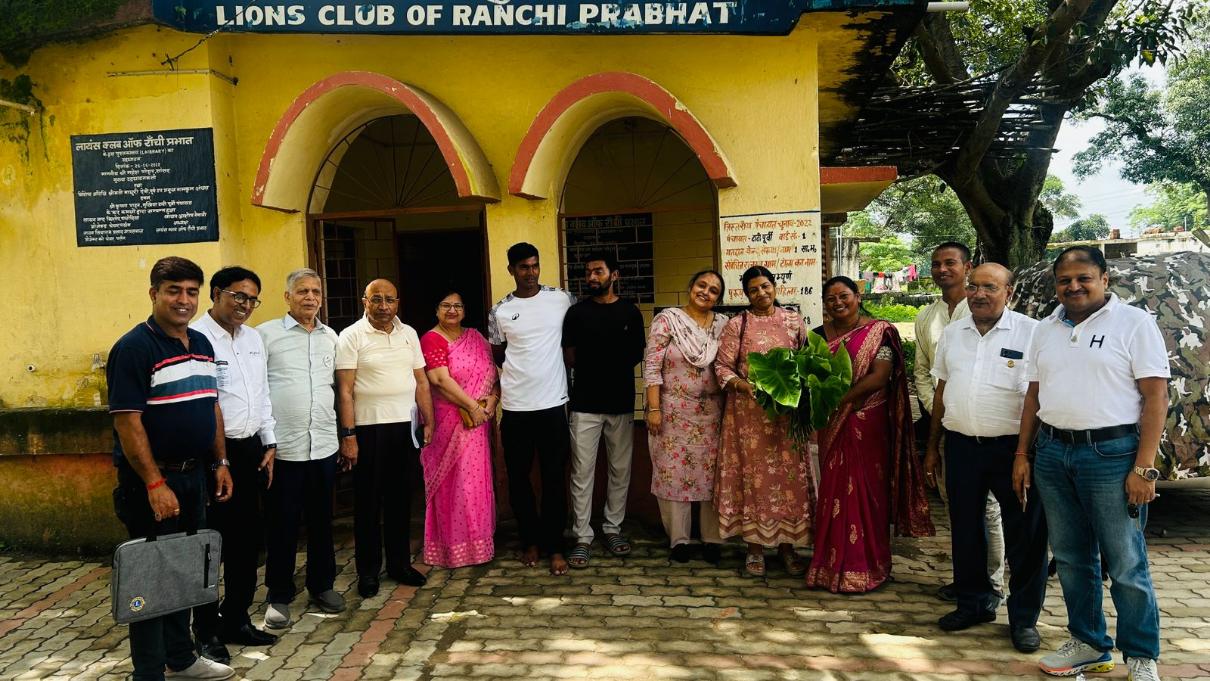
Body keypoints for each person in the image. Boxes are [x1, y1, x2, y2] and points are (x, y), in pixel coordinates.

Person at [1016, 246, 1169, 681]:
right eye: (1064, 280)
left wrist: (1144, 468)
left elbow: (1156, 397)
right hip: (1053, 453)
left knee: (1125, 562)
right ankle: (1089, 643)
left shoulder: (1134, 323)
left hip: (1112, 455)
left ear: (1105, 278)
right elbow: (1033, 394)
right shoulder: (1045, 329)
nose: (1074, 286)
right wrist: (1023, 453)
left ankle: (1140, 654)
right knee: (1070, 557)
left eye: (1084, 277)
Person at [108, 256, 234, 681]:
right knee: (149, 579)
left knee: (185, 571)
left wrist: (220, 462)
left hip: (195, 475)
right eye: (173, 291)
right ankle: (148, 672)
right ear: (154, 294)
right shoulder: (134, 347)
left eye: (191, 292)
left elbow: (211, 406)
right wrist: (154, 483)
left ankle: (181, 659)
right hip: (153, 481)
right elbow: (128, 422)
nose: (184, 300)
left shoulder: (201, 343)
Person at [923, 264, 1048, 653]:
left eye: (989, 287)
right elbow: (942, 391)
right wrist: (932, 447)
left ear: (1008, 292)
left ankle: (1024, 619)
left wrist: (1024, 453)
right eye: (974, 286)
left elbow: (1038, 396)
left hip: (1014, 450)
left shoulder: (1032, 333)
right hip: (961, 446)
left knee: (1025, 534)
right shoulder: (953, 333)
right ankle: (974, 604)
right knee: (965, 530)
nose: (979, 294)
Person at [805, 275, 933, 593]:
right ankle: (828, 566)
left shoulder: (880, 332)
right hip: (831, 422)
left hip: (868, 421)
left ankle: (869, 566)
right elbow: (808, 377)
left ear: (858, 296)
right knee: (833, 489)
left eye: (843, 296)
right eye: (831, 298)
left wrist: (841, 399)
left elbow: (879, 376)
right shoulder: (817, 337)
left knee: (867, 491)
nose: (837, 302)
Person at [189, 266, 278, 659]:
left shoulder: (253, 339)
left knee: (246, 542)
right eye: (238, 295)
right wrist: (219, 459)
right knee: (211, 546)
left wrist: (269, 441)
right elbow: (205, 404)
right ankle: (206, 631)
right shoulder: (196, 338)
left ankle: (237, 618)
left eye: (252, 299)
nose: (245, 304)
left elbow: (262, 393)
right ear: (216, 293)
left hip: (249, 450)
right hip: (212, 456)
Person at [914, 242, 1005, 603]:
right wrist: (938, 408)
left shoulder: (984, 308)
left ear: (967, 267)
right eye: (936, 264)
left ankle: (994, 583)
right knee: (957, 505)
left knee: (989, 508)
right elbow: (923, 371)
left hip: (988, 430)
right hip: (947, 425)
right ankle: (967, 580)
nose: (942, 269)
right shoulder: (927, 316)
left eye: (950, 263)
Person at [257, 268, 345, 629]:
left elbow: (337, 386)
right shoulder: (266, 335)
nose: (310, 297)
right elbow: (257, 389)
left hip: (322, 444)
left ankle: (321, 586)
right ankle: (279, 594)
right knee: (282, 523)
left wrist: (345, 434)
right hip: (283, 449)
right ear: (287, 296)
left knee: (322, 521)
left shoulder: (331, 337)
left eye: (316, 292)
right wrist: (266, 439)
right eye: (302, 291)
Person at [336, 279, 435, 598]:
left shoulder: (409, 334)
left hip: (404, 427)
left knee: (399, 499)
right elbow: (345, 390)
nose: (383, 306)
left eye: (389, 300)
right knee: (368, 503)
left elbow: (421, 381)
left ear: (397, 303)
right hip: (368, 429)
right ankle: (367, 571)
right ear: (364, 301)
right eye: (376, 299)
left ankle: (399, 564)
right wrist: (349, 435)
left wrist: (429, 420)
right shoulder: (351, 335)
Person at [713, 265, 813, 578]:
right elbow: (722, 368)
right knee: (754, 481)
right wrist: (744, 386)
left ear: (774, 286)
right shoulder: (737, 325)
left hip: (787, 419)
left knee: (788, 482)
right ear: (746, 294)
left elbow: (807, 362)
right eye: (753, 289)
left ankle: (788, 547)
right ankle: (754, 549)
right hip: (749, 418)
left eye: (765, 286)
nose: (761, 293)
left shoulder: (794, 321)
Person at [488, 242, 577, 576]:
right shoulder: (500, 311)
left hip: (553, 405)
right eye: (523, 267)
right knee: (519, 479)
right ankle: (530, 541)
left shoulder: (562, 299)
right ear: (511, 270)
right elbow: (498, 354)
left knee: (554, 478)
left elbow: (574, 339)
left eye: (534, 265)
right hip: (515, 408)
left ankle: (556, 546)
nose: (530, 272)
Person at [563, 254, 646, 568]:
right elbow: (570, 356)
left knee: (620, 470)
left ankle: (612, 529)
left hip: (621, 403)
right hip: (584, 405)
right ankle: (582, 536)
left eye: (598, 271)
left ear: (615, 275)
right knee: (581, 473)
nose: (591, 277)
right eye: (588, 272)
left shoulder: (630, 312)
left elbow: (636, 354)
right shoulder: (576, 313)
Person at [644, 270, 728, 564]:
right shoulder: (668, 320)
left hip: (712, 414)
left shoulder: (723, 325)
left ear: (719, 298)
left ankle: (712, 539)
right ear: (691, 287)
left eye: (714, 290)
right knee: (673, 473)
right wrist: (654, 408)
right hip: (672, 411)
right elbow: (652, 366)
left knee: (712, 475)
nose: (706, 292)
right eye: (701, 285)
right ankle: (679, 540)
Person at [419, 290, 500, 568]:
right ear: (436, 310)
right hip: (449, 424)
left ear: (464, 310)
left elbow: (493, 373)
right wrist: (472, 406)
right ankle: (451, 549)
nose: (452, 310)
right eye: (446, 305)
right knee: (455, 487)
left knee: (476, 486)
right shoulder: (432, 339)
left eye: (457, 305)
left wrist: (493, 399)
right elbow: (439, 380)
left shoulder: (476, 338)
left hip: (477, 425)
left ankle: (479, 546)